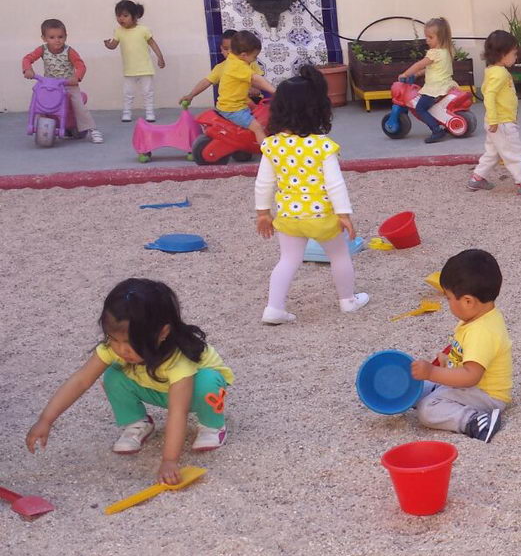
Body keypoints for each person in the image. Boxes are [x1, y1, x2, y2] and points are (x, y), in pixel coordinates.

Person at [25, 279, 233, 484]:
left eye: (130, 342)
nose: (121, 349)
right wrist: (46, 419)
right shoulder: (116, 348)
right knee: (114, 375)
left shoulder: (179, 359)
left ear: (163, 333)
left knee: (208, 381)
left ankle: (212, 426)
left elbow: (177, 412)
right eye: (113, 339)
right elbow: (81, 380)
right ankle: (137, 422)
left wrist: (170, 460)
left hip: (193, 393)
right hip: (157, 387)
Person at [254, 64, 369, 325]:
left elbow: (264, 183)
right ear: (318, 109)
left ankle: (274, 307)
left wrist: (263, 213)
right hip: (323, 218)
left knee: (288, 260)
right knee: (339, 255)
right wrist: (344, 214)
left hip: (289, 217)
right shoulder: (322, 146)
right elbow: (335, 184)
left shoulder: (271, 145)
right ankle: (347, 300)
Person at [411, 249, 512, 441]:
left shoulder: (482, 332)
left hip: (486, 395)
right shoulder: (477, 318)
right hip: (469, 385)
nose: (447, 302)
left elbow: (470, 376)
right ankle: (438, 392)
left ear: (468, 301)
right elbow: (469, 359)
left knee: (427, 409)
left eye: (448, 297)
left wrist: (432, 372)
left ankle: (475, 420)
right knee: (416, 385)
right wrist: (449, 361)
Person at [467, 30, 521, 196]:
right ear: (502, 54)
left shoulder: (492, 70)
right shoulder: (500, 74)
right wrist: (495, 120)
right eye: (514, 53)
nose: (516, 57)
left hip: (495, 122)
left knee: (493, 153)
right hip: (502, 123)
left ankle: (477, 178)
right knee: (514, 153)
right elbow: (488, 95)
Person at [21, 18, 102, 143]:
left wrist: (76, 77)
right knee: (39, 99)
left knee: (78, 104)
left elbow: (80, 65)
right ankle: (40, 123)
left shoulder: (69, 51)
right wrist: (28, 69)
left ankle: (92, 129)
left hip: (67, 84)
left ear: (66, 36)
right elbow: (27, 58)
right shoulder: (42, 50)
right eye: (52, 37)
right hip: (48, 85)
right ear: (44, 38)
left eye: (60, 36)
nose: (57, 40)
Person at [397, 17, 459, 144]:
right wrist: (418, 75)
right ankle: (443, 124)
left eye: (430, 38)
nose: (427, 40)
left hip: (435, 88)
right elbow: (434, 69)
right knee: (432, 106)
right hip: (446, 85)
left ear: (440, 37)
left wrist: (405, 73)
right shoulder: (446, 51)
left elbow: (419, 64)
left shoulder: (434, 53)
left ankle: (436, 130)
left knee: (420, 108)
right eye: (426, 37)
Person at [103, 0, 164, 122]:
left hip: (145, 68)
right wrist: (108, 45)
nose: (121, 19)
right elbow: (113, 45)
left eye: (125, 16)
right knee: (128, 93)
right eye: (118, 15)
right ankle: (126, 113)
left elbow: (153, 44)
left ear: (135, 16)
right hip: (129, 69)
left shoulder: (143, 30)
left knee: (148, 92)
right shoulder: (118, 31)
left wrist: (160, 57)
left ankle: (150, 113)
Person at [214, 31, 275, 143]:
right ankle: (268, 154)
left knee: (258, 110)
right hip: (233, 109)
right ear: (243, 55)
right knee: (258, 128)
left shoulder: (232, 59)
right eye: (254, 56)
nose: (255, 59)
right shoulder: (239, 66)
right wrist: (275, 91)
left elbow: (254, 82)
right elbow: (256, 79)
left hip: (233, 104)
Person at [180, 29, 264, 106]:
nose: (229, 52)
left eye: (232, 49)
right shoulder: (220, 67)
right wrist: (191, 95)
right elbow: (206, 82)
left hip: (253, 100)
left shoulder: (250, 64)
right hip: (233, 104)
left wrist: (255, 89)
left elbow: (259, 80)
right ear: (221, 49)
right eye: (226, 49)